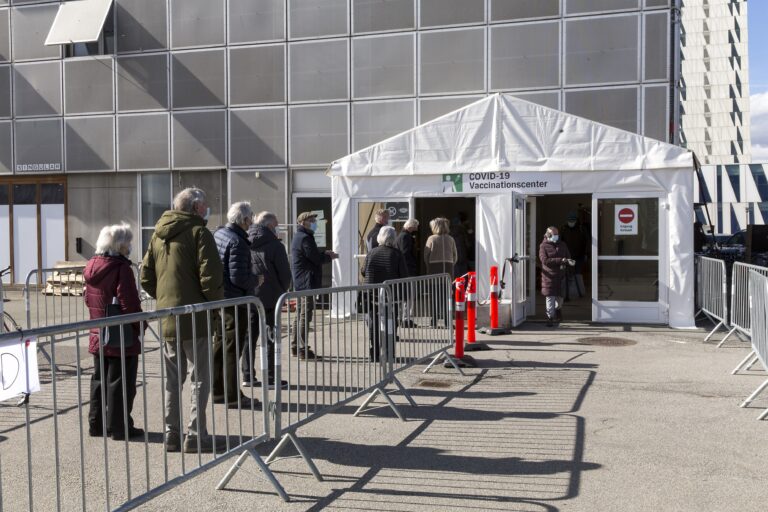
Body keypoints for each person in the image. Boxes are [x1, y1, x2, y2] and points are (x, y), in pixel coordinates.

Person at [141, 187, 225, 453]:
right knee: (200, 377)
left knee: (172, 380)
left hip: (167, 317)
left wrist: (165, 299)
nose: (207, 210)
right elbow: (210, 278)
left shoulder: (157, 234)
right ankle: (196, 433)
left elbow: (146, 277)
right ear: (197, 207)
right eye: (205, 206)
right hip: (195, 317)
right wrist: (216, 305)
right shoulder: (199, 233)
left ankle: (171, 433)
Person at [85, 223, 143, 441]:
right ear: (120, 245)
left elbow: (87, 299)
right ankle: (119, 427)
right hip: (121, 334)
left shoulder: (91, 266)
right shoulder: (121, 269)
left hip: (98, 330)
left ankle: (96, 424)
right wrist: (140, 325)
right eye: (128, 242)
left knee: (99, 379)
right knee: (121, 382)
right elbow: (129, 303)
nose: (130, 246)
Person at [212, 201, 259, 409]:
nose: (251, 222)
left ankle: (218, 390)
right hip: (234, 300)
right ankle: (232, 395)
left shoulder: (220, 234)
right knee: (232, 348)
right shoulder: (238, 242)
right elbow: (238, 277)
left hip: (222, 297)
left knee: (221, 345)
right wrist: (256, 281)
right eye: (251, 218)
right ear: (245, 219)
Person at [247, 211, 291, 389]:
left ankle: (248, 375)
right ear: (270, 226)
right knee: (271, 337)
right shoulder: (275, 245)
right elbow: (285, 274)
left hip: (250, 295)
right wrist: (282, 290)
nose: (278, 227)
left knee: (250, 336)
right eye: (277, 224)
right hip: (271, 297)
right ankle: (271, 377)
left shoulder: (245, 241)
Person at [291, 211, 338, 359]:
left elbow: (312, 256)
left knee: (300, 314)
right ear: (303, 222)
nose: (314, 223)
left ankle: (295, 345)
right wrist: (328, 256)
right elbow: (315, 259)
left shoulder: (302, 237)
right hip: (306, 282)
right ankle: (303, 349)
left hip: (302, 281)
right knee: (305, 314)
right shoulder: (304, 238)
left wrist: (324, 253)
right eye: (311, 220)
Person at [362, 226, 408, 361]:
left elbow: (364, 270)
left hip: (371, 295)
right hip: (390, 296)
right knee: (390, 324)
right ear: (394, 238)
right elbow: (403, 275)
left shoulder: (372, 252)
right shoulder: (397, 254)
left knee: (373, 324)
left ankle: (374, 354)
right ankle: (389, 353)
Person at [539, 226, 575, 327]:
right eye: (554, 234)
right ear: (548, 235)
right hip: (549, 277)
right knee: (550, 297)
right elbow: (544, 261)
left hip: (561, 276)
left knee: (559, 299)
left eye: (557, 234)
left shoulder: (562, 244)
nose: (556, 236)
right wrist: (560, 260)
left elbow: (567, 256)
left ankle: (558, 309)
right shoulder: (543, 246)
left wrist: (568, 261)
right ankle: (549, 317)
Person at [424, 217, 457, 326]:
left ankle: (434, 321)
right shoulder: (450, 239)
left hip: (434, 271)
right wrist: (450, 264)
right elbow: (455, 256)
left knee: (434, 297)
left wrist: (429, 266)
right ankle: (448, 321)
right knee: (447, 297)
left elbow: (426, 255)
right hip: (448, 271)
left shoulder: (431, 239)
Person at [396, 219, 419, 327]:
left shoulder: (400, 236)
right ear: (411, 227)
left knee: (404, 296)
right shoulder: (406, 237)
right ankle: (406, 319)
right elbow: (405, 253)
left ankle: (402, 318)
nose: (417, 229)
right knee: (409, 296)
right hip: (408, 270)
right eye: (416, 227)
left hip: (403, 270)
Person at [560, 211, 589, 298]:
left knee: (577, 274)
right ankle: (566, 294)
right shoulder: (563, 229)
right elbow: (560, 242)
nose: (571, 223)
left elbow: (587, 241)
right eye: (570, 221)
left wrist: (586, 254)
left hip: (579, 256)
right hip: (567, 257)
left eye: (573, 221)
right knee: (567, 275)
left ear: (576, 220)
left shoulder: (581, 229)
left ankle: (580, 293)